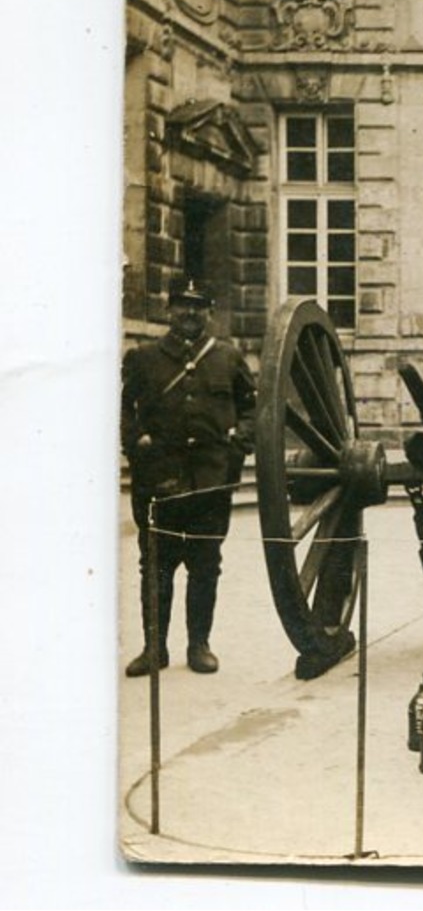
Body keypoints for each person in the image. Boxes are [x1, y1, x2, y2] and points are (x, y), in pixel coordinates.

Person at [121, 277, 257, 677]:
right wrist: (136, 442)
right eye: (182, 306)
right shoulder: (144, 357)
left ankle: (199, 645)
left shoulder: (228, 358)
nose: (190, 314)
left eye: (198, 307)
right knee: (156, 567)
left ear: (209, 313)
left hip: (211, 480)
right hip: (158, 479)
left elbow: (252, 408)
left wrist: (239, 443)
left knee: (205, 564)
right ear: (169, 310)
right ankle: (154, 649)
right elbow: (122, 407)